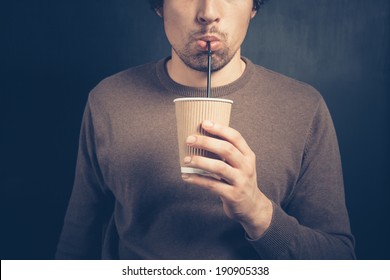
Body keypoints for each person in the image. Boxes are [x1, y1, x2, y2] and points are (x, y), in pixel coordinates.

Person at [56, 0, 355, 259]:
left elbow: (340, 262)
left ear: (254, 6)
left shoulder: (304, 107)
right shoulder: (109, 101)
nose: (208, 13)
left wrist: (257, 212)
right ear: (159, 5)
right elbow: (76, 248)